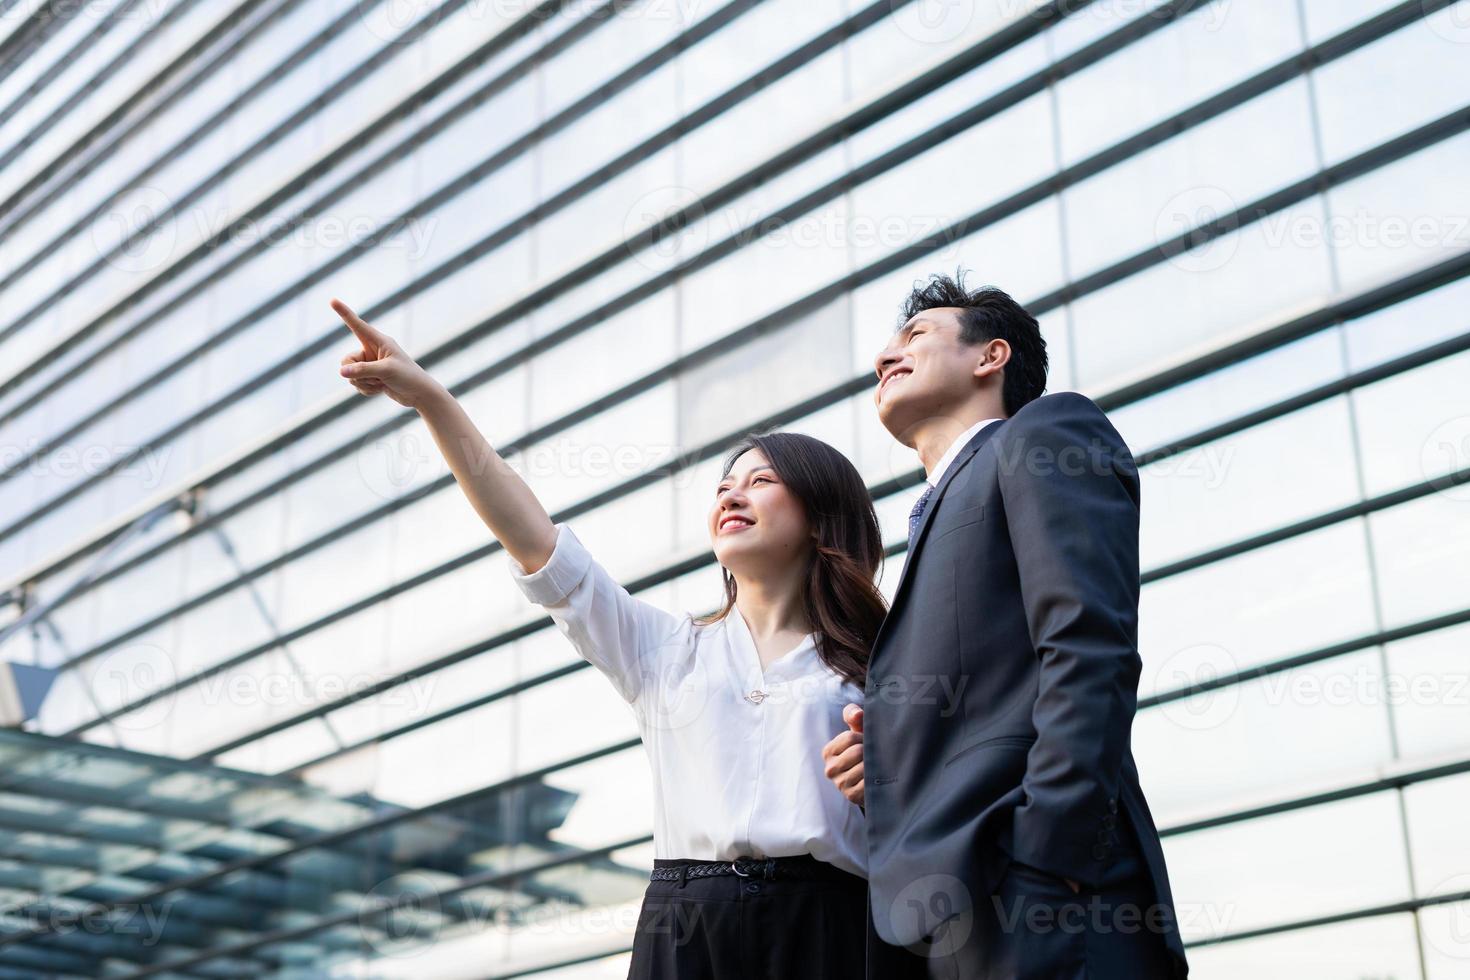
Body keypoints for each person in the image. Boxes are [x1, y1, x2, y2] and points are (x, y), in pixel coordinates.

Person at [330, 297, 889, 979]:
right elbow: (533, 537)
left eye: (762, 481)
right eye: (723, 485)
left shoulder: (884, 659)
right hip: (686, 926)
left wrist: (892, 779)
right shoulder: (666, 648)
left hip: (831, 926)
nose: (731, 496)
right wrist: (429, 399)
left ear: (820, 516)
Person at [822, 273, 1190, 978]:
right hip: (949, 923)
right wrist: (894, 759)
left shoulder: (1045, 434)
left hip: (1043, 903)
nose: (884, 358)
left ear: (990, 357)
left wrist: (1049, 864)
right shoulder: (933, 515)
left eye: (917, 335)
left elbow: (1088, 648)